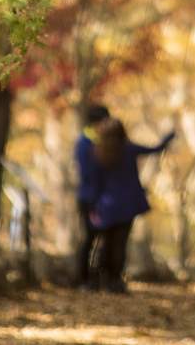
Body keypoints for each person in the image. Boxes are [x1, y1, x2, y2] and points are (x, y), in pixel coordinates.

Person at [88, 117, 175, 293]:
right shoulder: (128, 149)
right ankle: (114, 281)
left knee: (106, 243)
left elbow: (95, 184)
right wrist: (170, 135)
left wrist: (92, 207)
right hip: (127, 206)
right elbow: (155, 149)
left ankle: (99, 279)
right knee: (119, 244)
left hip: (107, 206)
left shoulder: (98, 153)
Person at [75, 104, 110, 288]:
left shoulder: (95, 141)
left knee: (100, 239)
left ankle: (95, 278)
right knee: (89, 238)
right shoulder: (86, 143)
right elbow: (88, 174)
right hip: (89, 198)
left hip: (98, 197)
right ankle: (83, 279)